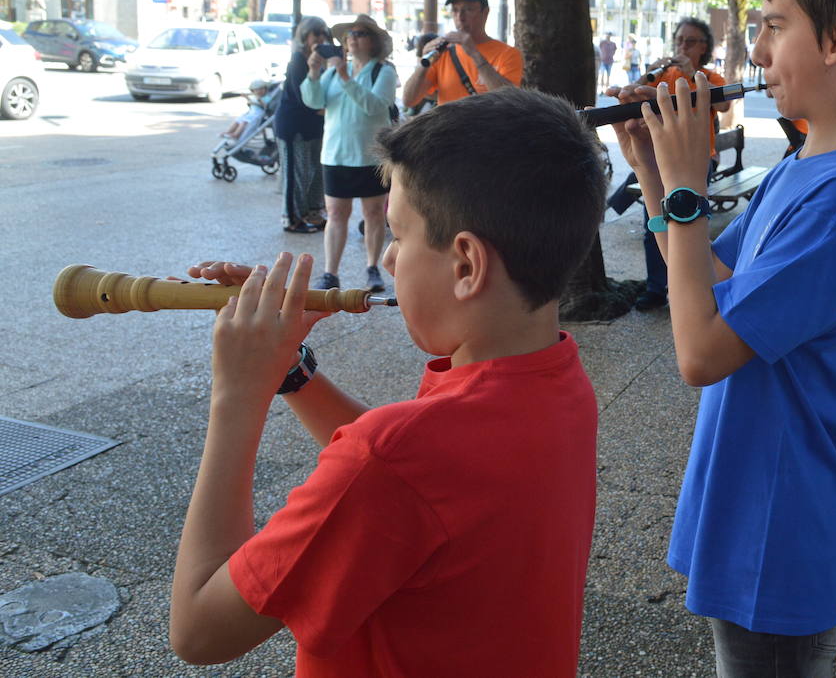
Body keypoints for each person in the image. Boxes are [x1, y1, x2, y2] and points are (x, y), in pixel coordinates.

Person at [167, 88, 606, 677]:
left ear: (466, 265)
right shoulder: (559, 378)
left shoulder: (396, 456)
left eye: (398, 234)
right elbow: (418, 484)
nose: (391, 260)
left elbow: (197, 629)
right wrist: (291, 371)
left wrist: (238, 394)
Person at [610, 0, 836, 676]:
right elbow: (710, 278)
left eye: (775, 27)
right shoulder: (808, 164)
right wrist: (655, 176)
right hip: (755, 500)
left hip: (781, 522)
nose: (757, 51)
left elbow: (701, 351)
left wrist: (688, 189)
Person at [616, 18, 728, 311]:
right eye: (679, 40)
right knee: (653, 222)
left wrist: (691, 74)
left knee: (686, 218)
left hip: (697, 158)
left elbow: (724, 105)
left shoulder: (709, 77)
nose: (683, 46)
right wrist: (646, 76)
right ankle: (656, 287)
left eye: (690, 41)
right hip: (659, 158)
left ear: (704, 46)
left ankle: (689, 286)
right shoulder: (664, 73)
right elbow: (634, 91)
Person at [302, 15, 398, 294]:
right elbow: (313, 101)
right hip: (335, 155)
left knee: (373, 213)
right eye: (348, 35)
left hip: (369, 156)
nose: (351, 39)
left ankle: (372, 268)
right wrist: (312, 74)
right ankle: (330, 273)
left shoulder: (384, 72)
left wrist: (345, 77)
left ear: (374, 41)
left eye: (359, 33)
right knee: (335, 213)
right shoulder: (332, 72)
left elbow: (375, 105)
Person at [401, 0, 523, 109]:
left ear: (485, 13)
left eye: (468, 10)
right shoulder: (443, 52)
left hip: (488, 127)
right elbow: (408, 101)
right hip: (448, 127)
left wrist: (475, 54)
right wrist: (423, 64)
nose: (460, 17)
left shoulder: (508, 54)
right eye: (455, 10)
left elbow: (508, 101)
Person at [276, 18, 328, 234]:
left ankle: (312, 213)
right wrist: (329, 109)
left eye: (322, 34)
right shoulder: (298, 59)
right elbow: (303, 98)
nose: (319, 39)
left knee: (315, 171)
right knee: (296, 173)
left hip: (315, 126)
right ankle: (293, 218)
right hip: (294, 126)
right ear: (304, 37)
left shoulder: (325, 59)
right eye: (314, 34)